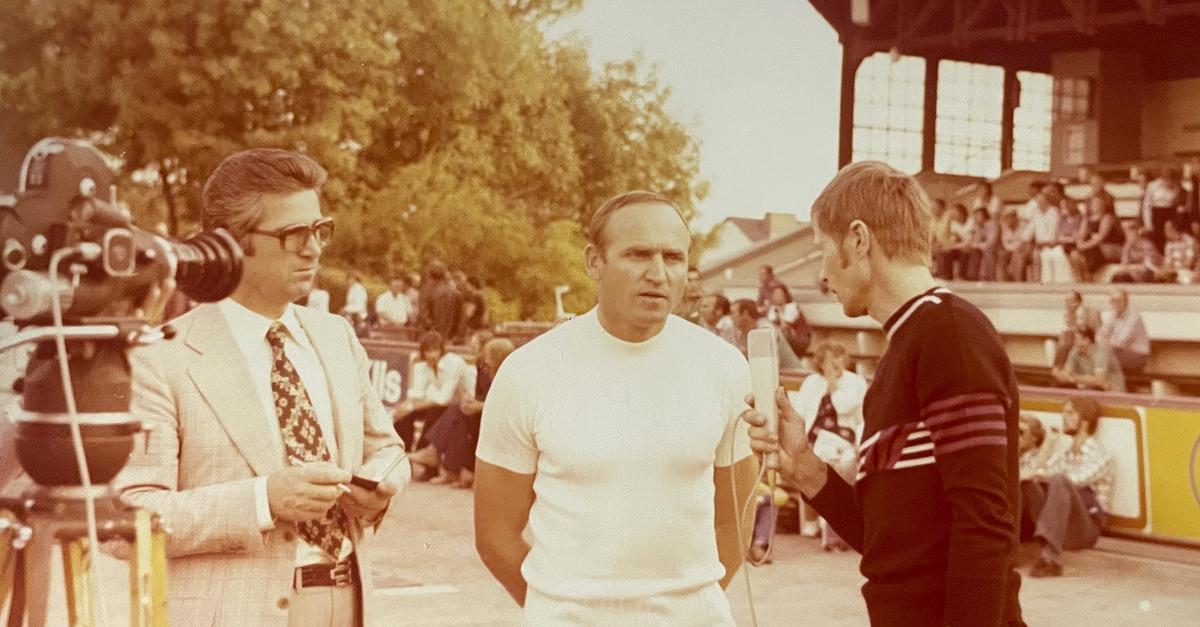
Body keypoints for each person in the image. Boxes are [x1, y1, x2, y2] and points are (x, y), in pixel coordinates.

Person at [119, 148, 410, 627]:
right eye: (294, 234)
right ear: (232, 244)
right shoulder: (160, 356)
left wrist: (381, 487)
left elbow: (391, 450)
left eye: (320, 229)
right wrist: (263, 501)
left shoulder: (336, 336)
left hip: (350, 601)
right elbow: (130, 517)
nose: (314, 249)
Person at [743, 161, 1024, 627]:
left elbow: (985, 524)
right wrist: (808, 470)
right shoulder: (909, 345)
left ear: (858, 240)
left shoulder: (947, 333)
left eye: (822, 250)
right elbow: (890, 546)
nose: (823, 275)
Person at [473, 191, 757, 624]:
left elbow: (736, 518)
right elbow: (495, 535)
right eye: (638, 254)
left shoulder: (724, 368)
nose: (658, 273)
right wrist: (559, 609)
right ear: (594, 262)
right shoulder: (529, 371)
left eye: (674, 258)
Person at [1022, 396, 1115, 577]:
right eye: (1063, 412)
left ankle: (1052, 559)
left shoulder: (1102, 455)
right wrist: (1048, 444)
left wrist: (1036, 474)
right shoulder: (1064, 455)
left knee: (1060, 480)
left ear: (1085, 421)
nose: (1063, 417)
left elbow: (1077, 480)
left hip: (1085, 530)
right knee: (1029, 484)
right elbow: (1039, 472)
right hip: (1059, 525)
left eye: (1070, 413)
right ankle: (1007, 552)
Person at [409, 334, 514, 488]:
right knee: (458, 412)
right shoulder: (481, 365)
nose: (473, 351)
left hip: (500, 418)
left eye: (475, 347)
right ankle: (450, 468)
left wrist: (479, 406)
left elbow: (508, 405)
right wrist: (471, 402)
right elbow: (480, 394)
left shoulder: (510, 372)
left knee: (455, 410)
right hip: (483, 412)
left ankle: (441, 459)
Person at [392, 330, 474, 457]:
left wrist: (411, 406)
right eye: (428, 351)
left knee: (433, 412)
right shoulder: (423, 364)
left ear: (441, 350)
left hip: (463, 407)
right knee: (404, 415)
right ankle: (402, 453)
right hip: (444, 405)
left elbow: (443, 399)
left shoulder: (453, 362)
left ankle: (423, 455)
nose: (431, 355)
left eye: (435, 350)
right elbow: (417, 394)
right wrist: (404, 407)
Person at [1052, 327, 1126, 393]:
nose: (1074, 343)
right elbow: (1067, 373)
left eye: (1077, 339)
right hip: (1092, 389)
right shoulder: (1075, 350)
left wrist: (1074, 378)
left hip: (1113, 392)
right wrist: (1058, 373)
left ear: (1087, 340)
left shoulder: (1101, 352)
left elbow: (1099, 379)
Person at [1097, 288, 1151, 374]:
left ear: (1126, 302)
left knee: (1103, 356)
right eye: (1112, 301)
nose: (1115, 304)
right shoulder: (1111, 315)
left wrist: (1107, 341)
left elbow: (1120, 342)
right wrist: (1107, 341)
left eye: (1118, 301)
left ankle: (1100, 382)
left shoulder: (1133, 317)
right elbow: (1099, 337)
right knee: (1097, 354)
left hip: (1137, 356)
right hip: (1119, 353)